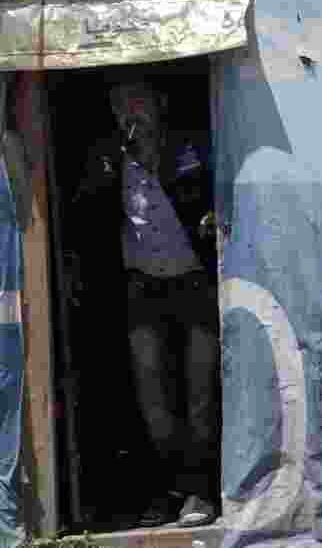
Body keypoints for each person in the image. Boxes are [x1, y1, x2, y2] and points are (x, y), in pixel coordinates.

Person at [70, 79, 220, 528]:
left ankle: (199, 492)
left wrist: (210, 219)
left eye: (137, 102)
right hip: (142, 290)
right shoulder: (107, 155)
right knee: (152, 399)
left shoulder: (188, 147)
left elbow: (213, 197)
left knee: (199, 395)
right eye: (119, 104)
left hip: (193, 283)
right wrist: (112, 165)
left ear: (160, 104)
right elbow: (82, 212)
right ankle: (162, 491)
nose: (128, 113)